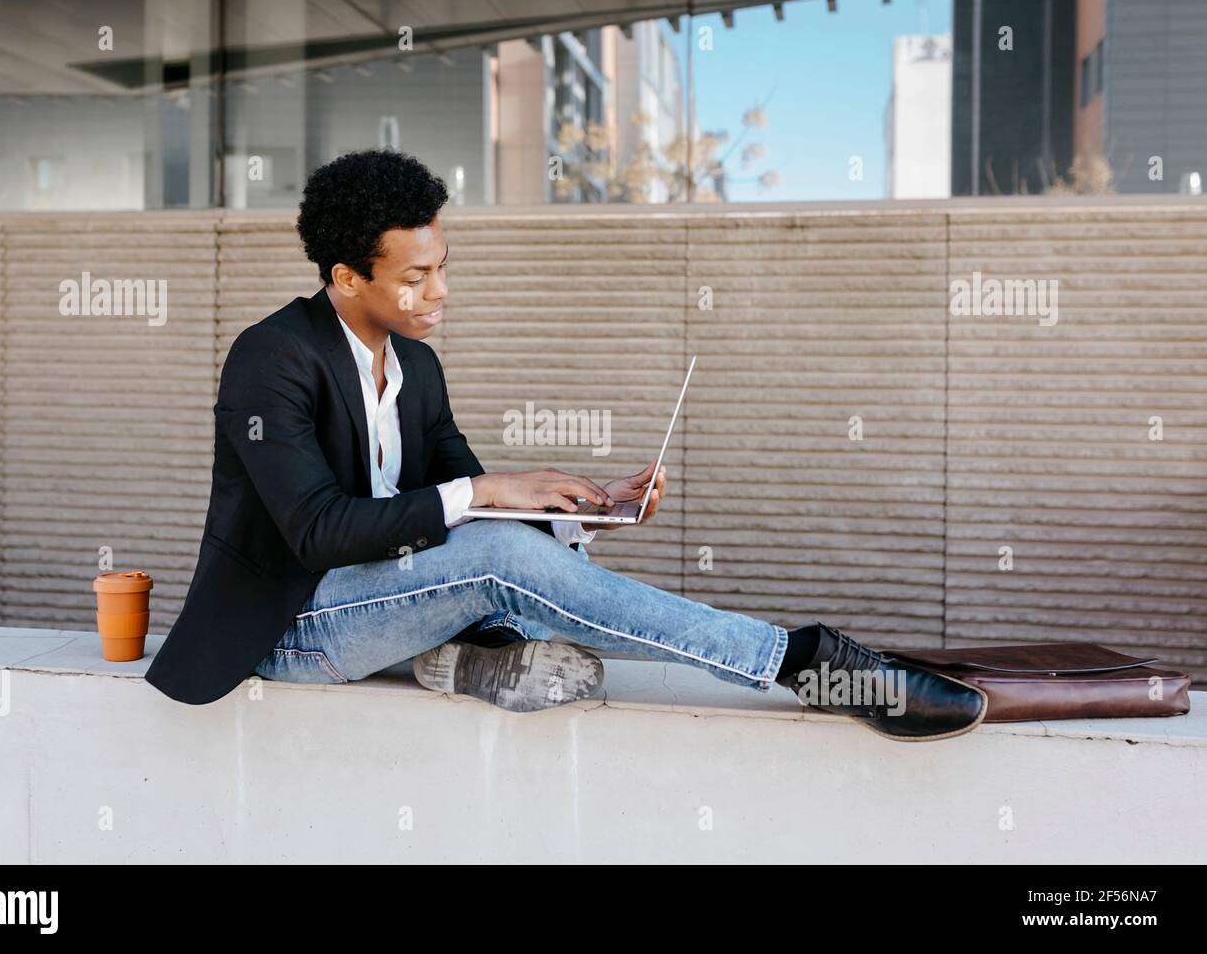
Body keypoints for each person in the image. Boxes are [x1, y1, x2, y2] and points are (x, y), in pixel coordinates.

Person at [143, 149, 987, 743]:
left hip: (391, 603)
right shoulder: (271, 358)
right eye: (415, 276)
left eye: (443, 265)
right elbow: (320, 531)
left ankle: (467, 655)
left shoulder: (418, 368)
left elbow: (462, 503)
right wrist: (488, 495)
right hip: (290, 629)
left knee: (515, 555)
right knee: (502, 559)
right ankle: (803, 660)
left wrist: (584, 511)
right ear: (345, 278)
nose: (441, 290)